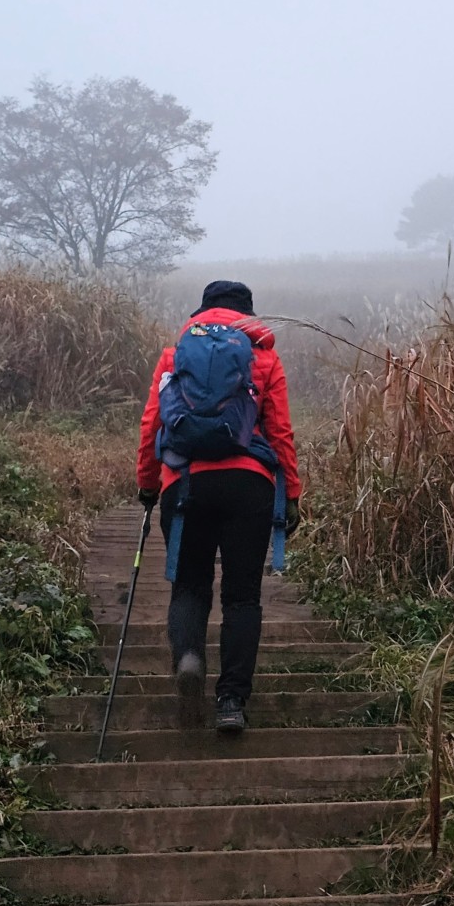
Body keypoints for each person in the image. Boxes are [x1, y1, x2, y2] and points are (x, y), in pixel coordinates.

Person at [136, 280, 301, 733]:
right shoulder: (264, 356)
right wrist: (291, 495)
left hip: (185, 485)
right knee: (242, 596)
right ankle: (231, 701)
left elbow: (152, 424)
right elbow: (280, 432)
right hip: (249, 485)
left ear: (202, 311)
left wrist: (149, 485)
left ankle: (189, 658)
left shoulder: (175, 355)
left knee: (189, 586)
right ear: (248, 314)